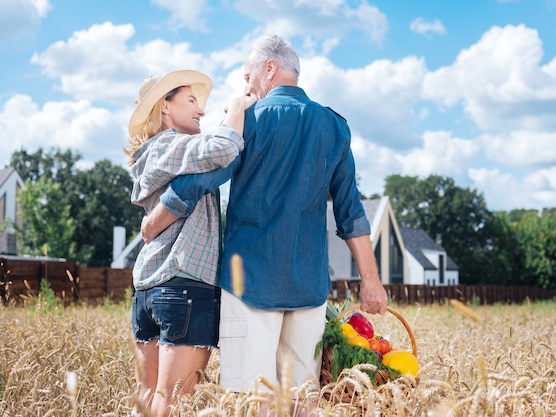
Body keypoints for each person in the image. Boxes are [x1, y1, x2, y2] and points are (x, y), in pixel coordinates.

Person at [141, 35, 388, 416]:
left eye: (247, 77)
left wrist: (156, 218)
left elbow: (202, 178)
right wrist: (370, 280)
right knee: (302, 397)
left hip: (249, 283)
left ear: (269, 69)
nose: (246, 88)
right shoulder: (335, 127)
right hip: (308, 286)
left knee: (254, 401)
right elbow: (350, 211)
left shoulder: (248, 120)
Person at [125, 69, 256, 417]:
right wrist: (238, 107)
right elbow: (225, 147)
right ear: (164, 108)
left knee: (149, 395)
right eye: (191, 100)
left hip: (150, 290)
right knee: (172, 400)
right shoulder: (170, 145)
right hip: (184, 286)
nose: (201, 110)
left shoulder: (159, 154)